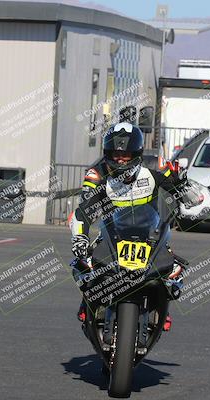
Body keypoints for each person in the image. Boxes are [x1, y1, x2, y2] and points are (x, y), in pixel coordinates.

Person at [68, 122, 194, 330]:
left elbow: (191, 197)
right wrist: (79, 238)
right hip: (111, 230)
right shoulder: (96, 174)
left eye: (125, 155)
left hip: (149, 230)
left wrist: (184, 185)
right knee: (84, 263)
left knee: (172, 268)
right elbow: (84, 209)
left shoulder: (155, 166)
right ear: (106, 153)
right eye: (115, 154)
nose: (120, 159)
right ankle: (88, 302)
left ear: (137, 153)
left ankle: (163, 306)